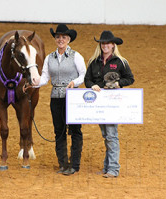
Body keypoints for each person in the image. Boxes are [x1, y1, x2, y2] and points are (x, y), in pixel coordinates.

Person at [34, 24, 86, 175]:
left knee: (75, 130)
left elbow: (83, 74)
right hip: (56, 97)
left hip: (73, 97)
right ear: (55, 39)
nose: (60, 40)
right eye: (58, 37)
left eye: (63, 37)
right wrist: (33, 83)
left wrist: (74, 83)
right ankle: (63, 164)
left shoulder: (76, 56)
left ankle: (74, 164)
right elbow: (44, 78)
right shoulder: (50, 57)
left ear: (69, 39)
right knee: (59, 131)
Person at [84, 30, 135, 178]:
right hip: (100, 103)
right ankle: (108, 167)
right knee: (106, 135)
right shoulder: (94, 62)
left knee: (111, 135)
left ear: (113, 45)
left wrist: (119, 83)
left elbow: (130, 79)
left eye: (107, 43)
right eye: (103, 43)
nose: (105, 45)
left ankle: (113, 168)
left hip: (113, 102)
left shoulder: (120, 62)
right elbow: (88, 80)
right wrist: (92, 86)